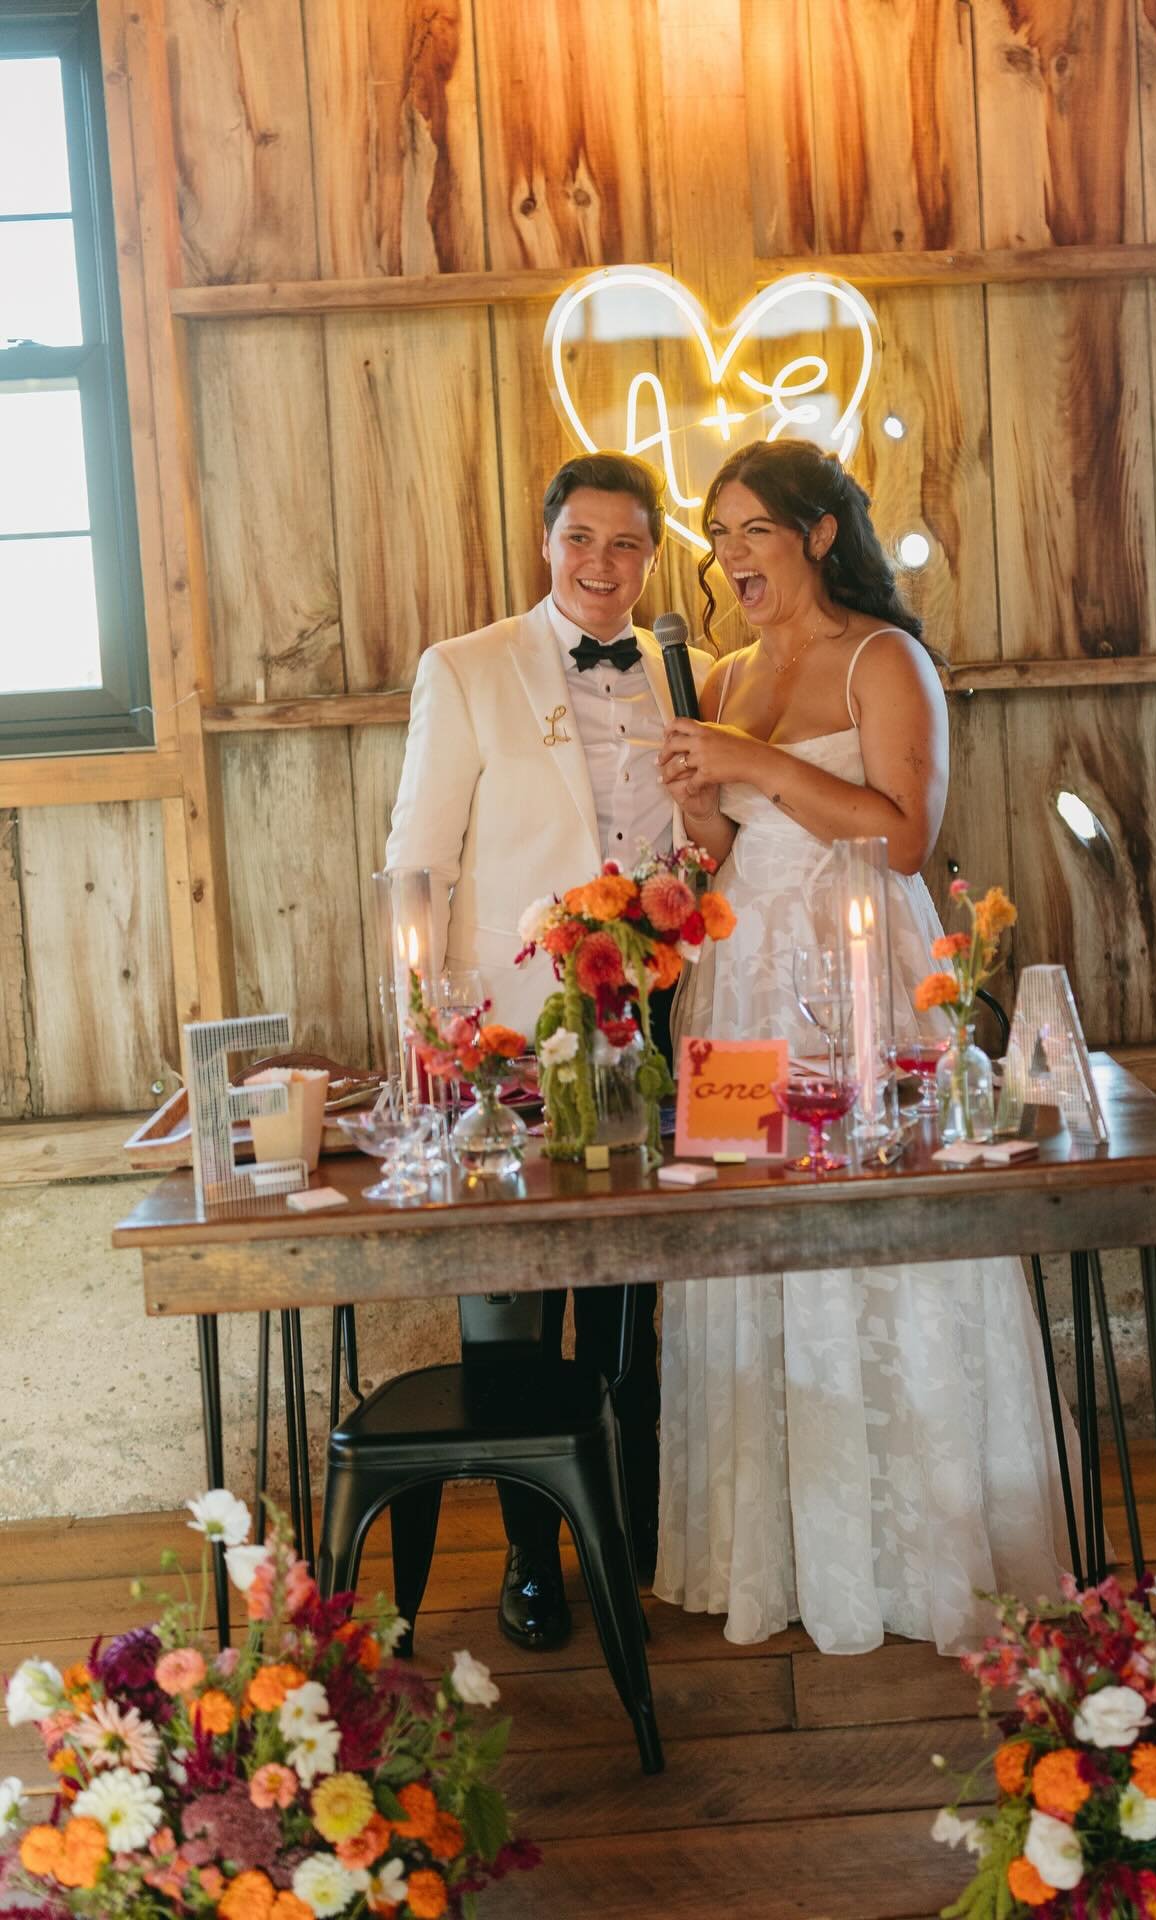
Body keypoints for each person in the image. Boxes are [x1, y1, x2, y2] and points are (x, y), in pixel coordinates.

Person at [655, 437, 1077, 1656]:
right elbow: (720, 852)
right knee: (748, 1243)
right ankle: (771, 1549)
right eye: (717, 534)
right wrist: (699, 804)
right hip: (739, 999)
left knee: (883, 1237)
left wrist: (754, 763)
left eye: (752, 531)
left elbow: (902, 836)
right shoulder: (724, 672)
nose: (729, 556)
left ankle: (915, 1550)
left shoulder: (885, 659)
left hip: (862, 988)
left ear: (819, 534)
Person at [387, 451, 711, 1651]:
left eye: (628, 544)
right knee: (514, 1310)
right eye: (582, 539)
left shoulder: (686, 674)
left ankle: (627, 1540)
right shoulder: (466, 670)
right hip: (509, 1043)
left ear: (651, 556)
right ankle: (532, 1562)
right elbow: (418, 861)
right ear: (546, 542)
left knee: (631, 1307)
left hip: (651, 1025)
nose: (602, 566)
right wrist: (436, 1034)